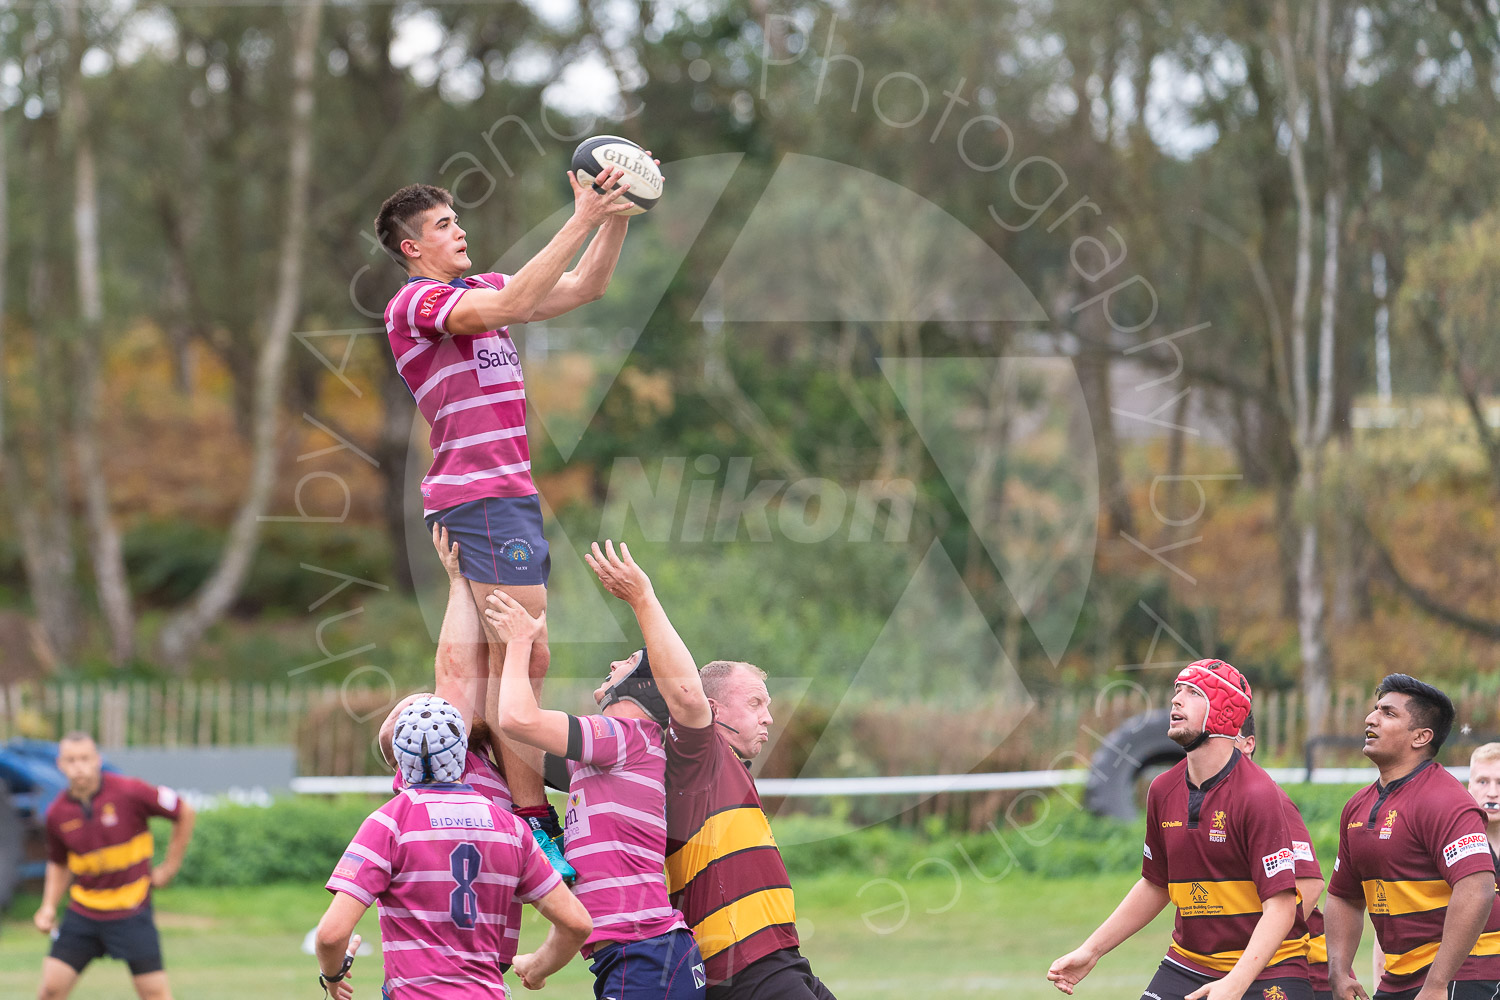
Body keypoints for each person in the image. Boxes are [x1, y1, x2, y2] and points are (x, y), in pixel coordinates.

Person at [375, 159, 647, 874]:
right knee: (527, 655)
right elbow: (504, 310)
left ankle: (481, 804)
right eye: (442, 225)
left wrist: (613, 215)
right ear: (413, 249)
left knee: (506, 664)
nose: (459, 229)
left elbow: (586, 286)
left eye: (456, 218)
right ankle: (531, 821)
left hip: (504, 497)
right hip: (483, 495)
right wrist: (582, 216)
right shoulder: (416, 304)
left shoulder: (486, 285)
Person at [583, 540, 837, 1000]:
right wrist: (642, 598)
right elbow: (683, 693)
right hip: (744, 964)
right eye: (756, 702)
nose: (768, 717)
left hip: (778, 958)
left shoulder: (722, 767)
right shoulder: (698, 756)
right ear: (713, 708)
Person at [484, 563, 707, 998]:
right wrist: (541, 963)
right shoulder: (608, 759)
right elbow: (518, 749)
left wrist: (518, 643)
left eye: (628, 661)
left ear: (647, 688)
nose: (613, 662)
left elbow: (516, 719)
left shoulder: (624, 736)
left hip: (645, 958)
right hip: (640, 957)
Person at [1048, 659, 1310, 1000]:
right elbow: (1156, 883)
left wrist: (1234, 983)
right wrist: (1091, 951)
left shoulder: (1258, 793)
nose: (1176, 700)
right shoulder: (1162, 790)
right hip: (1188, 963)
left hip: (1270, 966)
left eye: (1193, 692)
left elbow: (1282, 908)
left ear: (1224, 710)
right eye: (1177, 691)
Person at [314, 695, 592, 998]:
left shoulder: (389, 824)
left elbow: (331, 936)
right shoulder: (512, 828)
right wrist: (537, 968)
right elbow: (576, 924)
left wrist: (333, 975)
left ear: (398, 758)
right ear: (463, 753)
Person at [1323, 674, 1498, 1000]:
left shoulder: (1446, 800)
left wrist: (1437, 983)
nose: (1371, 718)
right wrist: (1338, 970)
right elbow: (1344, 896)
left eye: (1388, 713)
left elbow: (1477, 889)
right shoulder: (1356, 807)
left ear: (1421, 737)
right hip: (1398, 978)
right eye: (1376, 709)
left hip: (1461, 977)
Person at [34, 733, 196, 1000]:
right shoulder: (57, 813)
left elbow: (184, 811)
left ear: (98, 760)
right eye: (71, 760)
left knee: (155, 994)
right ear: (60, 765)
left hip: (131, 909)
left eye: (85, 758)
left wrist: (169, 868)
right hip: (84, 911)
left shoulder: (130, 791)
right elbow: (59, 863)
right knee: (51, 989)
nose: (79, 766)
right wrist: (48, 906)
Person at [1236, 713, 1335, 1000]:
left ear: (1248, 745)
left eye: (1226, 737)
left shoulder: (1267, 799)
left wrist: (1254, 953)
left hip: (1306, 970)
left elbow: (1310, 884)